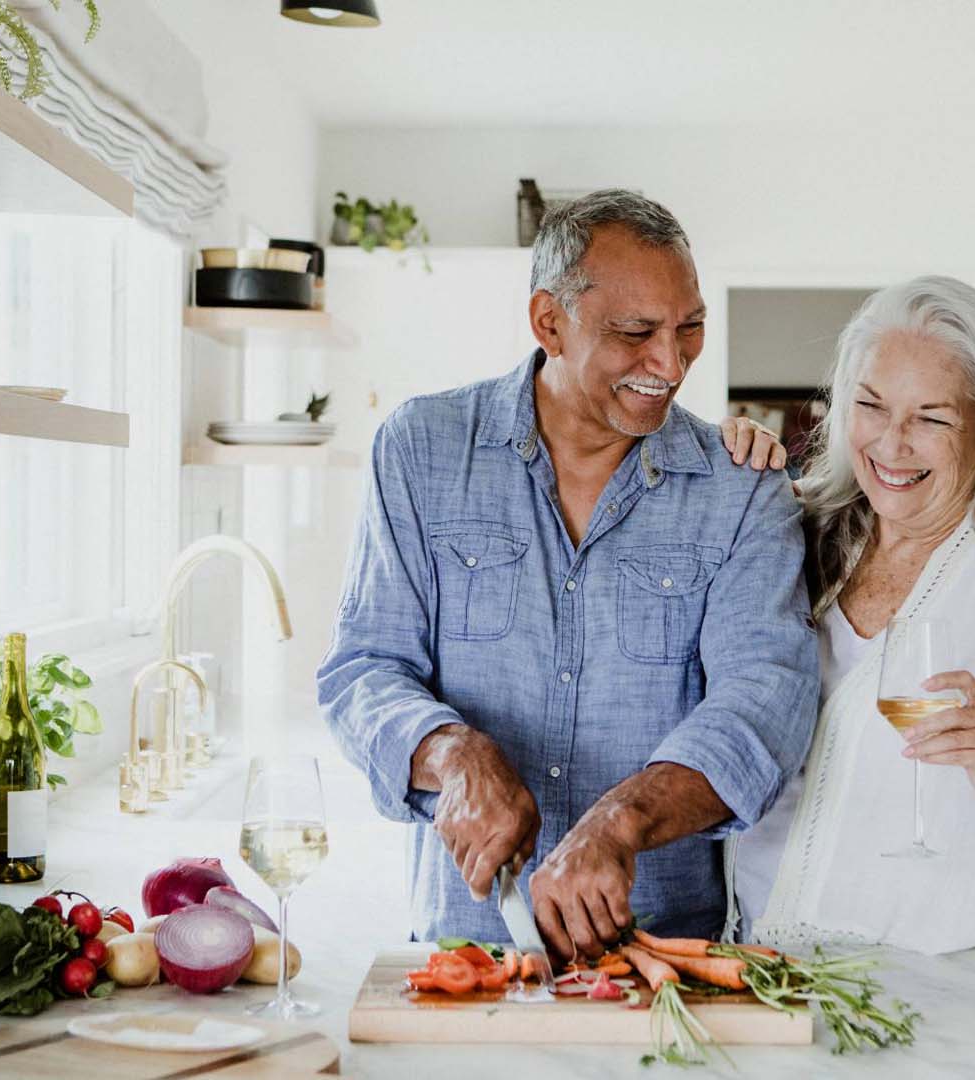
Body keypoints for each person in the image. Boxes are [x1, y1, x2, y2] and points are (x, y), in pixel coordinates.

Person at [317, 190, 819, 958]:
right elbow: (363, 669)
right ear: (549, 322)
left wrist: (621, 821)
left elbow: (764, 704)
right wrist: (452, 754)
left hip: (664, 956)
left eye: (690, 329)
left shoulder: (742, 486)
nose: (671, 363)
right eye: (635, 333)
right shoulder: (421, 450)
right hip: (464, 948)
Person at [722, 276, 975, 953]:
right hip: (754, 960)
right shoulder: (801, 532)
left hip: (919, 992)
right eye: (872, 406)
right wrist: (725, 464)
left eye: (932, 419)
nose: (892, 443)